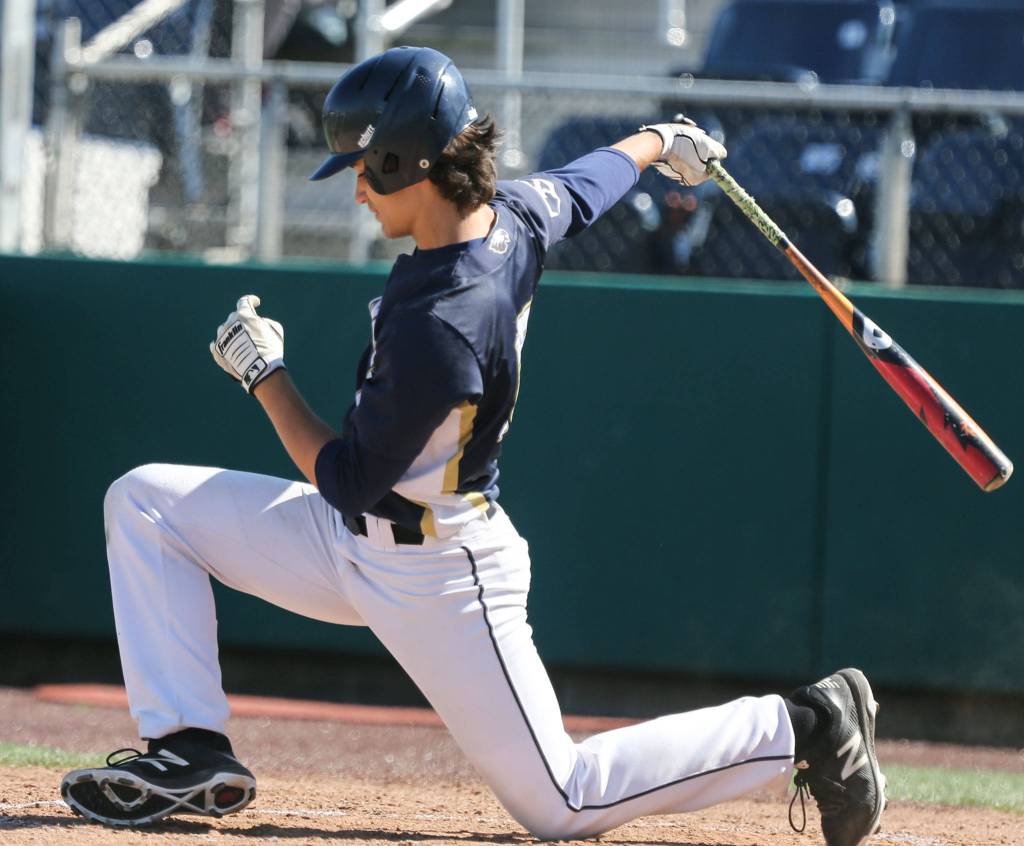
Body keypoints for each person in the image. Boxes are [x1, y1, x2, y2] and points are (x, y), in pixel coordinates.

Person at [60, 46, 885, 845]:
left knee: (563, 801)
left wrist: (264, 374)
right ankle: (188, 746)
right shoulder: (508, 215)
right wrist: (665, 142)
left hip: (437, 572)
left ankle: (809, 722)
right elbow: (585, 185)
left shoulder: (447, 318)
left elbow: (345, 477)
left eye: (359, 167)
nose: (354, 189)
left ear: (401, 163)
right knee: (144, 502)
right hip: (350, 539)